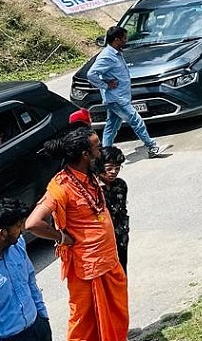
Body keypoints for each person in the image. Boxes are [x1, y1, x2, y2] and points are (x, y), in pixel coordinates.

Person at [25, 128, 128, 341]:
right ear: (85, 155)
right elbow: (33, 223)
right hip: (87, 268)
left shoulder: (90, 173)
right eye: (97, 147)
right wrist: (61, 237)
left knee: (116, 314)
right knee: (84, 323)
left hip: (109, 261)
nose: (101, 151)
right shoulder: (61, 187)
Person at [86, 27, 168, 158]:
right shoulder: (107, 56)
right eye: (124, 38)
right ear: (116, 39)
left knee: (111, 126)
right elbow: (91, 74)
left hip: (119, 97)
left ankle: (105, 155)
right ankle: (152, 147)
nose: (126, 40)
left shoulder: (117, 53)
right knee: (136, 120)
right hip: (117, 98)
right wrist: (105, 85)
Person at [0, 198, 51, 341]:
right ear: (2, 234)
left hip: (38, 327)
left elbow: (30, 280)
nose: (22, 229)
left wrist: (43, 316)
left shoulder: (18, 244)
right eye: (18, 226)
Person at [97, 147, 129, 273]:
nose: (113, 172)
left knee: (122, 272)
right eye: (109, 168)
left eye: (117, 168)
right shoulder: (93, 189)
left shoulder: (121, 185)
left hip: (121, 237)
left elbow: (123, 209)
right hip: (104, 242)